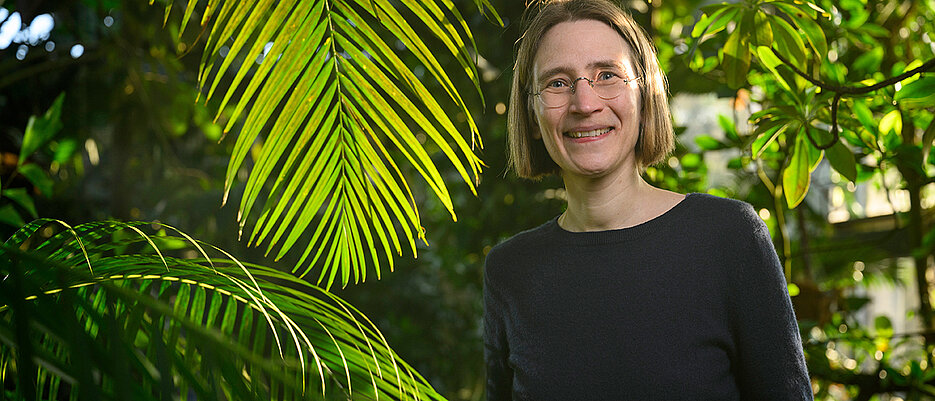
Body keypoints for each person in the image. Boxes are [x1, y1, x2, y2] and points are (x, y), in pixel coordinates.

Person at [482, 0, 813, 399]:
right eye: (557, 83)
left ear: (644, 95)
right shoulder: (510, 270)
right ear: (532, 116)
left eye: (607, 75)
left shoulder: (728, 237)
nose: (584, 104)